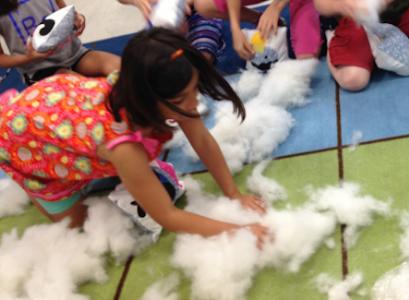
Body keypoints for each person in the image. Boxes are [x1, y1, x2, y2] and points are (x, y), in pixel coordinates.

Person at [0, 28, 268, 246]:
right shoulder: (124, 148)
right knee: (77, 226)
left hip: (60, 102)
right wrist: (239, 231)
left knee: (130, 166)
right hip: (25, 139)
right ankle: (41, 184)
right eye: (181, 98)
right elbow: (167, 215)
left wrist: (234, 193)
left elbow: (202, 139)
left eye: (193, 90)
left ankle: (128, 172)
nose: (192, 103)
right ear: (147, 98)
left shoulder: (144, 78)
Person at [315, 0, 409, 91]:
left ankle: (400, 35)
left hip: (404, 7)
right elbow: (321, 4)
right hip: (357, 20)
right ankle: (333, 39)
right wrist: (342, 5)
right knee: (353, 80)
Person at [0, 0, 121, 86]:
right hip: (40, 70)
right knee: (89, 91)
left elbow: (64, 11)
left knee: (123, 70)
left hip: (75, 54)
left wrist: (77, 18)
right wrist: (28, 57)